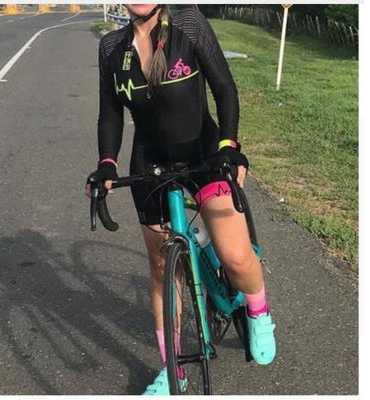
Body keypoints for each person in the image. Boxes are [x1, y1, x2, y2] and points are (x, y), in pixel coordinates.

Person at [86, 4, 276, 395]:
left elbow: (223, 86)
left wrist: (229, 145)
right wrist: (106, 163)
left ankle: (258, 309)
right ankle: (173, 369)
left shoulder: (188, 23)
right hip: (150, 160)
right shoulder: (111, 47)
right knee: (160, 266)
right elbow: (110, 114)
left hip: (204, 153)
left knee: (236, 257)